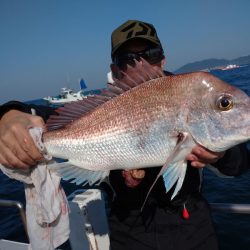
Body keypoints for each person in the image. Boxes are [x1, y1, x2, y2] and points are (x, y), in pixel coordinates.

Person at [0, 20, 249, 250]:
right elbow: (50, 116)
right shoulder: (104, 104)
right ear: (115, 69)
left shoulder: (189, 93)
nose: (139, 63)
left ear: (162, 60)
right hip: (129, 233)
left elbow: (240, 164)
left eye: (149, 54)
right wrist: (10, 113)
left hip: (194, 230)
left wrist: (220, 155)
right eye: (127, 58)